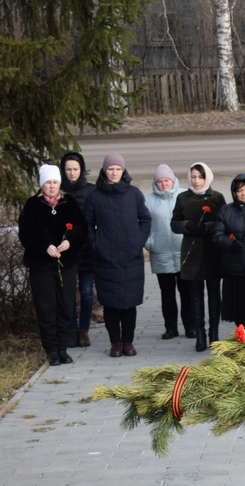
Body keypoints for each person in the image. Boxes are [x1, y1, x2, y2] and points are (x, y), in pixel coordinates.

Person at [82, 153, 150, 358]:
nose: (114, 172)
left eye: (117, 168)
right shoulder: (95, 196)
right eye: (110, 168)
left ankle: (128, 342)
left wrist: (139, 240)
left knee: (129, 303)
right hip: (106, 258)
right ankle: (115, 343)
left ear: (123, 171)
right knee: (111, 303)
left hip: (131, 258)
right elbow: (87, 225)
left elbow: (145, 220)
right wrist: (97, 244)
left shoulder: (134, 194)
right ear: (104, 171)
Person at [18, 165, 86, 365]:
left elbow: (82, 229)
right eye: (48, 182)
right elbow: (26, 234)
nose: (51, 186)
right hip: (41, 266)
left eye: (55, 182)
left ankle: (63, 348)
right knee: (46, 307)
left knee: (65, 306)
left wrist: (70, 241)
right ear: (41, 185)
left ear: (59, 184)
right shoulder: (32, 205)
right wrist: (44, 246)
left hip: (66, 264)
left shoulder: (69, 203)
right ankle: (51, 350)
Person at [171, 162, 226, 352]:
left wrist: (208, 227)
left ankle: (214, 333)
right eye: (193, 176)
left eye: (200, 177)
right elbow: (174, 223)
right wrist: (188, 226)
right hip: (192, 253)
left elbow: (224, 222)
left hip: (212, 251)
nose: (196, 181)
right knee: (195, 295)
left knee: (213, 294)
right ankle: (199, 334)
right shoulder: (182, 198)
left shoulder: (217, 198)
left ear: (207, 178)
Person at [214, 174, 245, 329]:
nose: (244, 193)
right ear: (234, 192)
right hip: (233, 268)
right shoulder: (226, 211)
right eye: (240, 190)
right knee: (237, 309)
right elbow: (217, 235)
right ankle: (241, 335)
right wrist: (231, 244)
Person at [143, 166, 186, 339]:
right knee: (167, 295)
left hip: (183, 253)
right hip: (160, 254)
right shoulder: (148, 200)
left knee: (187, 293)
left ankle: (190, 327)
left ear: (173, 180)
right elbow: (144, 224)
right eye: (160, 182)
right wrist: (149, 243)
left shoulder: (183, 195)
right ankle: (171, 328)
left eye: (166, 180)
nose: (163, 184)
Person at [59, 152, 95, 348]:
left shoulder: (91, 191)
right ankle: (72, 330)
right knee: (68, 292)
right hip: (67, 252)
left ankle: (84, 330)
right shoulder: (59, 190)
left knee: (87, 292)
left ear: (81, 170)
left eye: (75, 169)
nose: (72, 173)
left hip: (88, 250)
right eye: (68, 170)